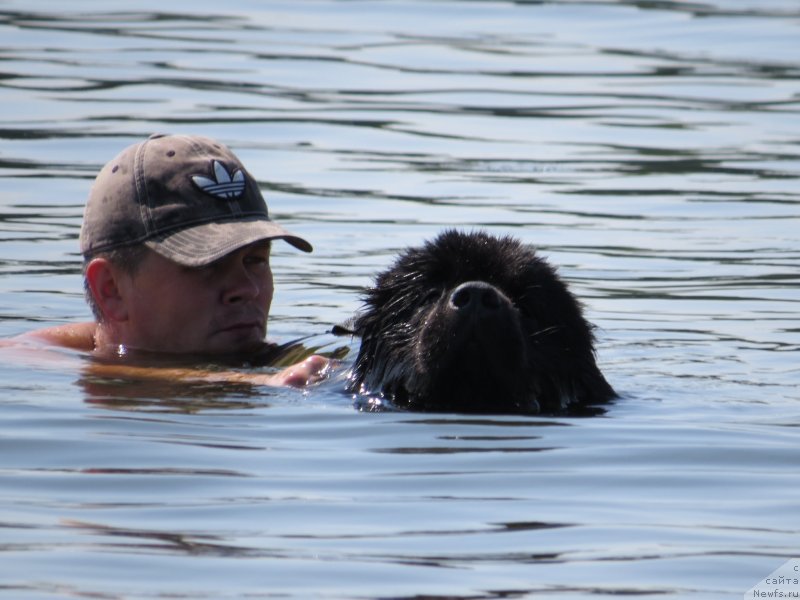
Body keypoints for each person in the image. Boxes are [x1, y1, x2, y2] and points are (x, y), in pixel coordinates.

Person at [6, 133, 329, 387]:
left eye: (256, 260)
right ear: (111, 290)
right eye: (207, 264)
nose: (247, 289)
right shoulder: (28, 367)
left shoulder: (305, 358)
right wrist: (243, 382)